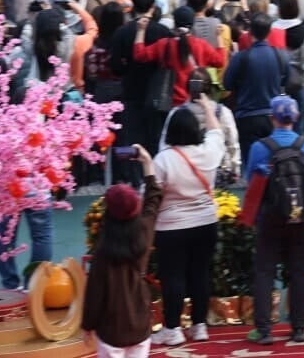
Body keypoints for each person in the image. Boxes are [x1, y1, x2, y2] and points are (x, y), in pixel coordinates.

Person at [243, 95, 304, 346]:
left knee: (265, 272)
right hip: (301, 218)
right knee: (299, 272)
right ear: (296, 117)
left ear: (272, 118)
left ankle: (263, 330)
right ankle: (299, 328)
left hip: (270, 218)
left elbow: (250, 181)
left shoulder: (259, 147)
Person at [150, 97, 225, 347]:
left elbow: (150, 195)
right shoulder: (209, 152)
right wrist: (206, 107)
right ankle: (199, 325)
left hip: (172, 227)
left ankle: (172, 328)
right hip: (206, 222)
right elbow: (216, 131)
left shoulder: (163, 160)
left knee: (173, 276)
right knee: (200, 273)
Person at [82, 147, 162, 358]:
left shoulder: (103, 252)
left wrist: (87, 324)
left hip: (111, 329)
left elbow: (95, 293)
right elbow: (154, 200)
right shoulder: (143, 234)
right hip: (139, 323)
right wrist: (147, 162)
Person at [221, 12, 289, 164]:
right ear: (270, 32)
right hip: (273, 116)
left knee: (251, 164)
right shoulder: (281, 56)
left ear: (250, 32)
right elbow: (287, 82)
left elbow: (227, 84)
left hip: (247, 116)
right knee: (274, 162)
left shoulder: (241, 57)